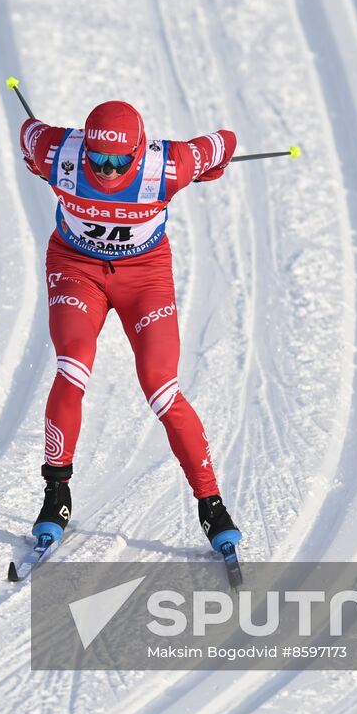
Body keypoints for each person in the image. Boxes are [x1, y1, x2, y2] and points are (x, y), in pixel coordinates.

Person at [19, 99, 241, 553]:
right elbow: (27, 132)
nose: (105, 169)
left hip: (145, 277)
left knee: (161, 386)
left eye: (118, 161)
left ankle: (211, 504)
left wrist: (210, 166)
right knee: (72, 366)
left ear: (138, 152)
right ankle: (56, 494)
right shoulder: (58, 152)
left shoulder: (170, 164)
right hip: (76, 267)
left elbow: (225, 142)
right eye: (96, 158)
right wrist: (33, 161)